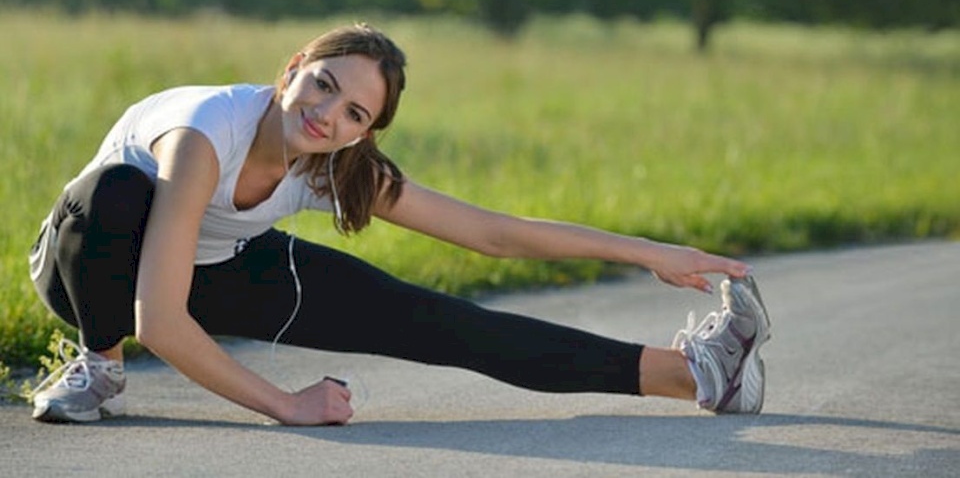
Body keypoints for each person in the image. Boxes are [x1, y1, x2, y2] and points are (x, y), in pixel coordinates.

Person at [28, 23, 771, 425]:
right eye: (323, 84)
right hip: (91, 270)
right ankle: (99, 364)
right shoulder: (205, 131)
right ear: (292, 69)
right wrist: (289, 404)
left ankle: (698, 375)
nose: (326, 114)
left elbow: (496, 234)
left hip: (219, 269)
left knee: (437, 319)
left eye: (355, 113)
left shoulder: (335, 163)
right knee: (121, 190)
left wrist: (649, 251)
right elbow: (157, 317)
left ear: (365, 131)